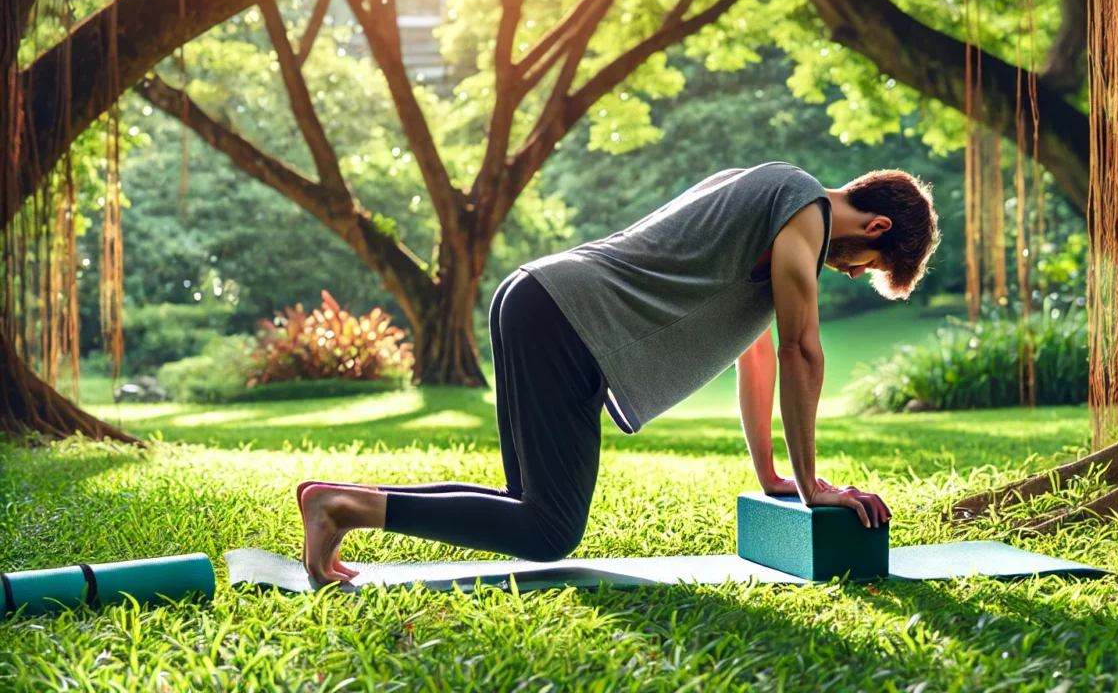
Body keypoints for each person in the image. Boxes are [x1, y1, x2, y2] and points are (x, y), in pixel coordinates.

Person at [298, 162, 940, 584]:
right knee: (550, 531)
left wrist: (771, 474)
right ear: (876, 225)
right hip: (570, 323)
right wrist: (813, 489)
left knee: (530, 507)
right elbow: (801, 351)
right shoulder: (804, 211)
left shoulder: (770, 196)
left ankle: (333, 500)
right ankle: (344, 507)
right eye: (867, 265)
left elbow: (756, 357)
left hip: (536, 298)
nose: (851, 273)